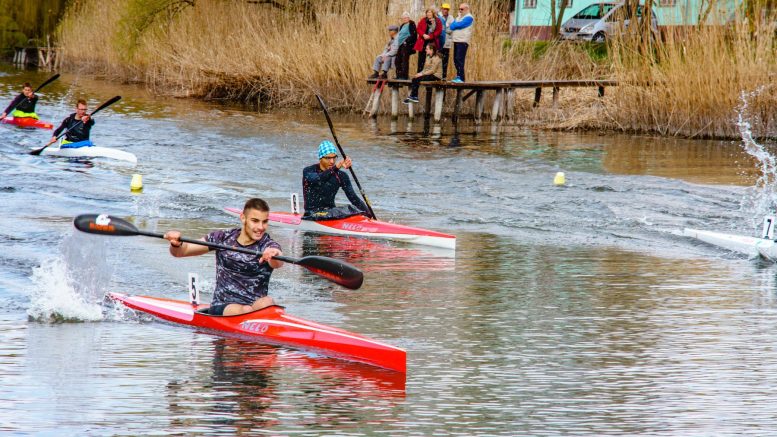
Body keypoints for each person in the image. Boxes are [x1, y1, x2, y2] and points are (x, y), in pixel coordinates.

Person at [163, 198, 284, 316]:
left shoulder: (268, 245)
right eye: (255, 221)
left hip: (254, 307)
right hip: (223, 306)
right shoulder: (222, 237)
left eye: (264, 222)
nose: (261, 227)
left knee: (267, 302)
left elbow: (278, 262)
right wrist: (176, 244)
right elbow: (181, 252)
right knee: (246, 309)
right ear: (243, 218)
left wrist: (273, 254)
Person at [302, 140, 369, 220]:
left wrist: (370, 215)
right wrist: (336, 167)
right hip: (312, 214)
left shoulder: (341, 175)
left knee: (354, 209)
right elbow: (318, 179)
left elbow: (354, 199)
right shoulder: (308, 171)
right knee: (344, 210)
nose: (332, 161)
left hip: (331, 213)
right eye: (328, 158)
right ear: (320, 158)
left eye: (334, 157)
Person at [449, 3, 475, 83]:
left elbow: (459, 25)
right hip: (456, 40)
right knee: (455, 59)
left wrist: (455, 24)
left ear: (467, 9)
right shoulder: (458, 17)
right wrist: (455, 24)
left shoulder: (469, 17)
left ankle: (461, 78)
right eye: (459, 9)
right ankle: (458, 76)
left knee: (459, 59)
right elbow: (452, 26)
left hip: (463, 41)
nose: (460, 10)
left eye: (462, 9)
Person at [413, 9, 442, 73]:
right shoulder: (423, 20)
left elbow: (439, 31)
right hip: (423, 41)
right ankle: (419, 73)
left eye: (430, 12)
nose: (429, 14)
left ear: (433, 13)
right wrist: (423, 34)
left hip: (432, 42)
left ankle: (429, 73)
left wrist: (430, 36)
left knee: (431, 58)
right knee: (421, 58)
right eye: (427, 12)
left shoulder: (437, 21)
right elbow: (418, 28)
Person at [394, 12, 417, 80]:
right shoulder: (402, 25)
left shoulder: (411, 24)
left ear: (408, 18)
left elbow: (414, 35)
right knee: (397, 60)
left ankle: (404, 76)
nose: (404, 19)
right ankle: (399, 75)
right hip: (400, 44)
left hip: (407, 45)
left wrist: (406, 41)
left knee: (404, 60)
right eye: (403, 18)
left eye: (405, 18)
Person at [438, 4, 455, 79]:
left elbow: (452, 29)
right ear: (441, 9)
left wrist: (443, 29)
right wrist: (445, 28)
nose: (445, 10)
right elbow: (437, 28)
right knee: (438, 59)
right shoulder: (438, 16)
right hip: (439, 42)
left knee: (445, 60)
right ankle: (437, 76)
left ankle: (444, 76)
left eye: (447, 9)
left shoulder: (451, 18)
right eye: (444, 9)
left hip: (447, 43)